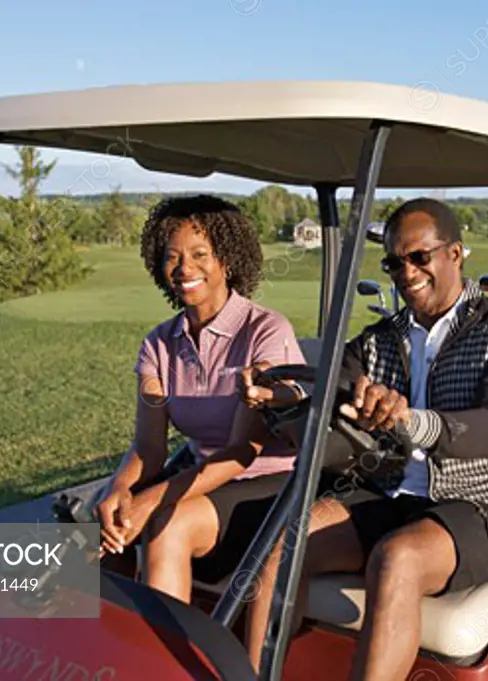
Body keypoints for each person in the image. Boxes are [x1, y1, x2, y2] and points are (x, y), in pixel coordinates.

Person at [242, 198, 488, 680]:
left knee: (396, 558)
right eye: (394, 262)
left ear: (456, 254)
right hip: (390, 491)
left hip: (482, 503)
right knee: (287, 542)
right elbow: (331, 383)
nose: (406, 272)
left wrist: (409, 421)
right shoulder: (379, 339)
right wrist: (283, 393)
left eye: (419, 257)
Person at [95, 194, 306, 604]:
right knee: (105, 520)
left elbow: (242, 451)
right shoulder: (159, 343)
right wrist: (121, 488)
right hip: (198, 476)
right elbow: (149, 446)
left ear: (226, 259)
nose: (184, 268)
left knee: (167, 524)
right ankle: (110, 647)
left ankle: (162, 663)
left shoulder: (265, 330)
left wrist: (150, 500)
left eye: (199, 254)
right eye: (172, 257)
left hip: (267, 483)